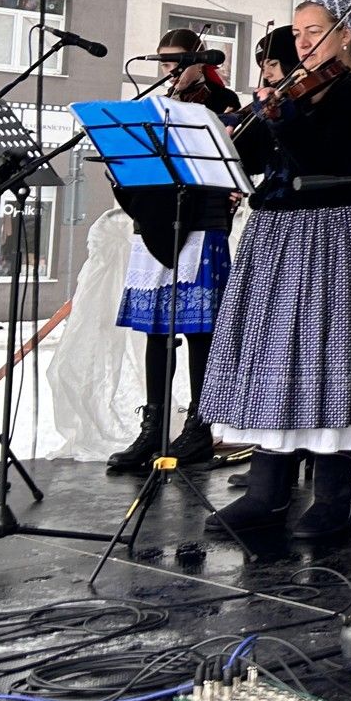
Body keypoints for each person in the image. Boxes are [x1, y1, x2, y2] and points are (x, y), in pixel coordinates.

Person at [198, 0, 351, 542]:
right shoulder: (294, 91)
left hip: (337, 236)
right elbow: (253, 164)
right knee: (277, 363)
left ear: (347, 36)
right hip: (280, 235)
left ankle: (333, 497)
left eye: (316, 30)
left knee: (327, 361)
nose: (305, 41)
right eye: (298, 33)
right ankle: (267, 492)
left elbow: (335, 160)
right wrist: (239, 129)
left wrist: (283, 116)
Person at [105, 29, 242, 473]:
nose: (171, 70)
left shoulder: (222, 105)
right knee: (156, 329)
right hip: (158, 221)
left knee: (200, 329)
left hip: (202, 222)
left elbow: (228, 167)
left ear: (201, 62)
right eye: (165, 63)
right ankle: (154, 425)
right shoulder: (155, 107)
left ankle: (200, 426)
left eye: (179, 62)